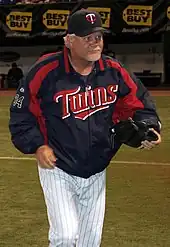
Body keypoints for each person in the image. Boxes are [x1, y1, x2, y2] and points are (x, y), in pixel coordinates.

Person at [9, 9, 161, 247]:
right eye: (86, 37)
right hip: (58, 166)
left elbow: (139, 102)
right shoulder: (46, 71)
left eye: (98, 37)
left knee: (90, 241)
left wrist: (148, 128)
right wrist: (37, 146)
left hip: (97, 167)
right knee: (65, 235)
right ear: (69, 41)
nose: (94, 43)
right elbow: (21, 114)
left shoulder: (113, 71)